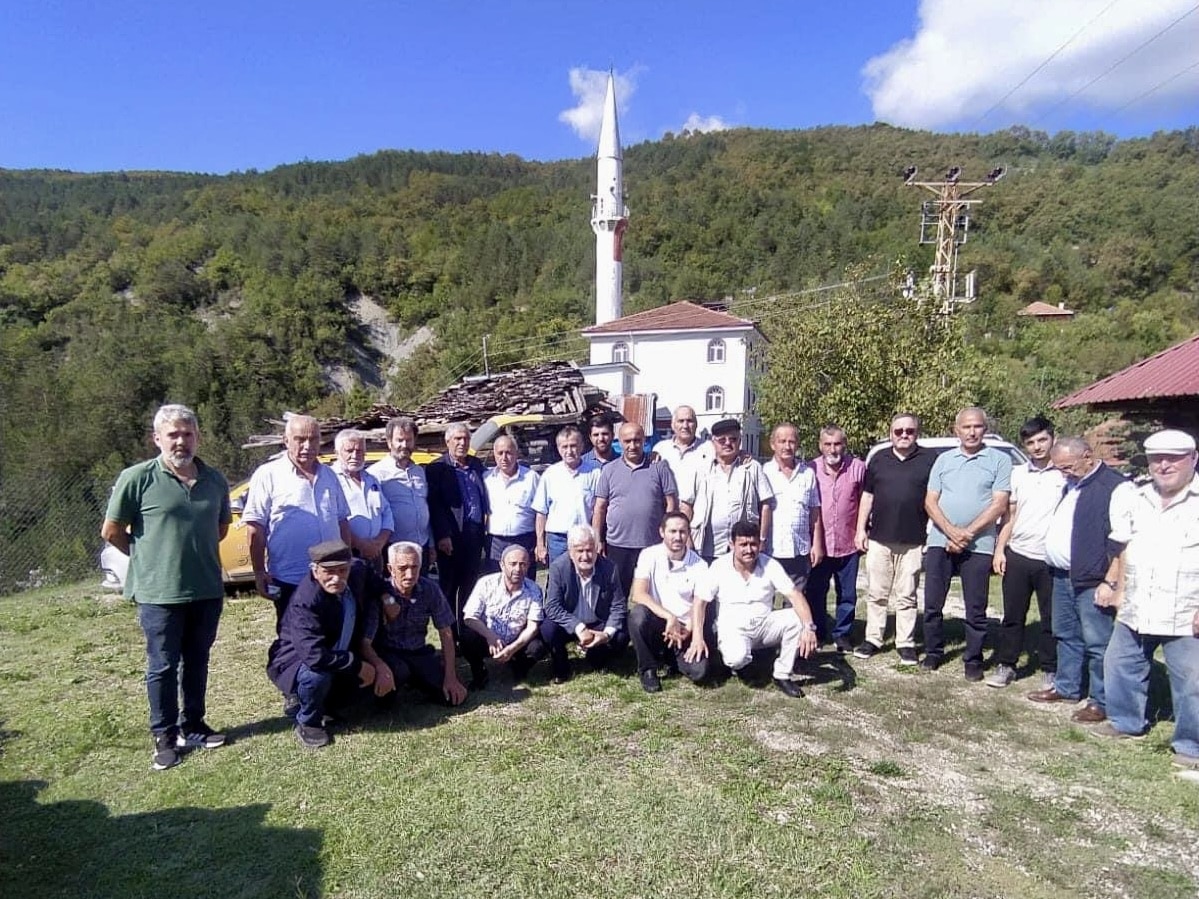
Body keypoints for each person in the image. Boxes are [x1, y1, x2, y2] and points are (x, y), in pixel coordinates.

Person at [101, 404, 232, 771]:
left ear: (198, 437)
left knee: (198, 660)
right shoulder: (137, 477)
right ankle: (164, 735)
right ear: (157, 438)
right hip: (159, 594)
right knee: (162, 665)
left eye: (187, 434)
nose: (181, 441)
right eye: (173, 434)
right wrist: (147, 557)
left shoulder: (215, 480)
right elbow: (111, 531)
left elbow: (220, 529)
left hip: (206, 588)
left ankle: (194, 725)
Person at [1097, 429, 1199, 771]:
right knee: (1121, 665)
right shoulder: (1137, 498)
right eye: (1157, 459)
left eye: (1173, 458)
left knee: (1193, 680)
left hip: (1185, 607)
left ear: (1193, 459)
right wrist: (1118, 586)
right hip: (1139, 602)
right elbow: (1126, 548)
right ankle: (1126, 722)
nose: (1164, 465)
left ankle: (1191, 745)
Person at [1027, 437, 1130, 723]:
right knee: (1065, 634)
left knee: (1098, 642)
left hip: (1093, 579)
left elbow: (1121, 541)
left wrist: (1110, 582)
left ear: (1088, 456)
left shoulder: (1114, 487)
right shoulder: (1072, 482)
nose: (1064, 473)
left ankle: (1101, 701)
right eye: (1059, 468)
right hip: (1063, 575)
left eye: (1068, 467)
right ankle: (1067, 686)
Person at [922, 407, 1012, 679]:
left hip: (979, 544)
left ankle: (973, 659)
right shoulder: (943, 460)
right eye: (966, 427)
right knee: (932, 603)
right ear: (956, 430)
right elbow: (930, 500)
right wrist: (951, 532)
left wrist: (966, 534)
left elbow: (1000, 504)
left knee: (975, 606)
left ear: (985, 429)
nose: (972, 432)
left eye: (977, 427)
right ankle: (933, 652)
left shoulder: (999, 460)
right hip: (940, 540)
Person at [266, 540, 379, 749]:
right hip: (296, 660)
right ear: (315, 570)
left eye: (342, 570)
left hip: (337, 652)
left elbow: (376, 581)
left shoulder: (357, 570)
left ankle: (325, 704)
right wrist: (357, 664)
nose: (336, 578)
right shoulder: (305, 601)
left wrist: (389, 597)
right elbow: (315, 656)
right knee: (317, 675)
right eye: (328, 572)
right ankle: (308, 720)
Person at [243, 414, 351, 628]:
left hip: (331, 577)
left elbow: (342, 522)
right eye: (300, 439)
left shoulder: (330, 475)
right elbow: (255, 528)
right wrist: (258, 572)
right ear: (286, 440)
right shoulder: (268, 475)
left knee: (331, 637)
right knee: (293, 642)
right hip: (290, 578)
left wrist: (346, 561)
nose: (307, 445)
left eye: (313, 439)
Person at [694, 520, 818, 697]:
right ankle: (748, 662)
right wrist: (697, 638)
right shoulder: (718, 567)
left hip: (763, 626)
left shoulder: (770, 565)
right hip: (734, 629)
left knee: (796, 618)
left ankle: (782, 675)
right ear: (732, 545)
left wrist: (809, 627)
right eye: (743, 544)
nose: (749, 549)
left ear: (760, 544)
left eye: (753, 544)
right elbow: (700, 602)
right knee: (735, 658)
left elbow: (794, 595)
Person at [853, 412, 937, 664]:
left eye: (909, 431)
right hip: (879, 539)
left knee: (907, 595)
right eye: (898, 431)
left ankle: (905, 643)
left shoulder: (929, 460)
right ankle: (873, 639)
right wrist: (860, 530)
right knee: (877, 593)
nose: (903, 435)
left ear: (916, 433)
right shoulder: (878, 459)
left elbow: (935, 499)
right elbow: (867, 497)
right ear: (891, 433)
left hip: (913, 541)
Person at [987, 417, 1063, 688]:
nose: (1037, 447)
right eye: (1030, 443)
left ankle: (1050, 669)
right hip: (1019, 553)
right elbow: (1010, 514)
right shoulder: (1018, 474)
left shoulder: (1065, 473)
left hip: (1051, 559)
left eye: (1042, 440)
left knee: (1050, 618)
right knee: (1013, 615)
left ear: (1052, 438)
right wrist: (1000, 550)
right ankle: (1006, 665)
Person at [359, 542, 468, 707]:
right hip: (389, 654)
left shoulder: (430, 589)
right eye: (402, 568)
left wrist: (451, 676)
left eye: (414, 567)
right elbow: (365, 643)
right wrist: (380, 666)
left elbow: (446, 633)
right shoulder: (380, 594)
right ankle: (386, 695)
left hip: (418, 652)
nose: (410, 575)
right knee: (399, 673)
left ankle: (418, 681)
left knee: (451, 697)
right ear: (390, 568)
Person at [628, 511, 715, 692]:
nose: (678, 537)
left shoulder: (700, 565)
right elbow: (638, 594)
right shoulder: (648, 555)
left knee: (700, 672)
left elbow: (700, 605)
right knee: (637, 615)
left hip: (684, 628)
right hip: (658, 622)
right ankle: (648, 669)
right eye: (672, 531)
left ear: (688, 533)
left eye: (682, 532)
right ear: (662, 532)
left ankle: (670, 658)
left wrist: (689, 630)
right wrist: (669, 617)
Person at [592, 421, 679, 598]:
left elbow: (671, 503)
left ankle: (652, 625)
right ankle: (618, 626)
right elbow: (600, 507)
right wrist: (598, 539)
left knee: (655, 593)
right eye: (628, 441)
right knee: (616, 594)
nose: (632, 445)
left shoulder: (659, 466)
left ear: (644, 441)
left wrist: (668, 535)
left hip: (652, 543)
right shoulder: (609, 470)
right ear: (620, 442)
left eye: (637, 440)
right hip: (617, 544)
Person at [540, 524, 629, 683]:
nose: (586, 556)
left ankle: (597, 653)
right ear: (570, 552)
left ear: (596, 549)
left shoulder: (609, 568)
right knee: (547, 628)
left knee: (621, 635)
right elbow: (552, 606)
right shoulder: (558, 568)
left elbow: (619, 606)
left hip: (598, 624)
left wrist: (606, 634)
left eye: (589, 550)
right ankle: (561, 664)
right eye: (580, 551)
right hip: (569, 624)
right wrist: (578, 627)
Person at [806, 425, 866, 652]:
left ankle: (842, 634)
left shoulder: (858, 468)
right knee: (816, 591)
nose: (833, 449)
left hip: (847, 543)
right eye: (828, 444)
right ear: (820, 445)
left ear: (845, 444)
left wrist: (862, 530)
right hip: (819, 544)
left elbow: (864, 501)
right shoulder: (810, 469)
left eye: (837, 444)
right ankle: (819, 632)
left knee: (847, 593)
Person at [426, 422, 489, 632]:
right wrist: (442, 535)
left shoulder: (476, 465)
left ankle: (468, 632)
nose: (462, 443)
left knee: (470, 586)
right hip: (451, 540)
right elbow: (434, 505)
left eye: (466, 439)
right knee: (449, 588)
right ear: (448, 441)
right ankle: (450, 635)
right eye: (457, 439)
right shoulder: (437, 468)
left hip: (475, 536)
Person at [681, 418, 773, 562]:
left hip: (743, 550)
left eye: (733, 439)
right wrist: (687, 540)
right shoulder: (701, 469)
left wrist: (762, 539)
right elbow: (686, 507)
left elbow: (766, 506)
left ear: (740, 441)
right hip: (705, 549)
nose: (728, 443)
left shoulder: (752, 468)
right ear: (713, 442)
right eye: (722, 440)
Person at [461, 545, 547, 688]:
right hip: (488, 639)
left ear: (528, 566)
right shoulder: (485, 583)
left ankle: (519, 665)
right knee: (466, 637)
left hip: (517, 641)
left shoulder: (534, 590)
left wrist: (512, 649)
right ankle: (479, 672)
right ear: (502, 565)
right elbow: (469, 617)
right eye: (513, 564)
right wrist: (490, 636)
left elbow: (533, 627)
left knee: (539, 645)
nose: (518, 569)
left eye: (523, 564)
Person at [763, 423, 824, 611]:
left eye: (791, 441)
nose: (787, 446)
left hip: (799, 549)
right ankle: (765, 639)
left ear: (797, 445)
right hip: (770, 550)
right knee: (765, 598)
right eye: (782, 441)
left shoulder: (807, 474)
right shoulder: (763, 472)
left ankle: (792, 638)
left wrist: (817, 543)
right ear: (773, 444)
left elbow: (815, 512)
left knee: (796, 599)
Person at [367, 416, 432, 569]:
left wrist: (432, 544)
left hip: (422, 545)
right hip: (393, 549)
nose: (405, 445)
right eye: (400, 440)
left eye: (409, 440)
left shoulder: (419, 471)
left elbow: (425, 506)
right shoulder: (376, 474)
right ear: (389, 442)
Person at [533, 425, 602, 566]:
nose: (569, 451)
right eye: (564, 447)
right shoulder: (550, 474)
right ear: (558, 448)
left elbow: (597, 510)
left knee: (585, 578)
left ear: (582, 446)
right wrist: (540, 544)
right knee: (558, 579)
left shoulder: (595, 473)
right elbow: (541, 512)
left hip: (585, 537)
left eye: (573, 446)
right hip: (558, 539)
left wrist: (597, 538)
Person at [331, 428, 393, 570]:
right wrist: (360, 544)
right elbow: (333, 519)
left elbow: (386, 512)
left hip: (376, 553)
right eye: (349, 450)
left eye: (359, 451)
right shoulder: (330, 479)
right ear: (337, 452)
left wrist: (379, 542)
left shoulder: (371, 479)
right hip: (348, 554)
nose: (355, 455)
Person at [482, 434, 541, 576]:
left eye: (508, 452)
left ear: (516, 454)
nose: (504, 457)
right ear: (494, 455)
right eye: (500, 453)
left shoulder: (532, 478)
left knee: (524, 582)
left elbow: (540, 512)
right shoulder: (486, 478)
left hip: (524, 539)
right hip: (495, 541)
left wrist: (540, 542)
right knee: (496, 583)